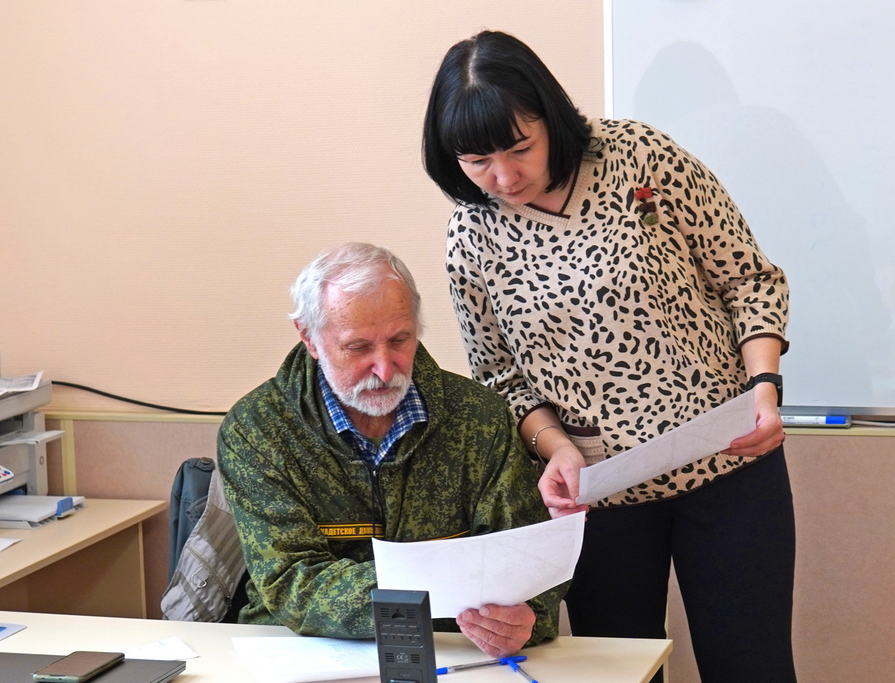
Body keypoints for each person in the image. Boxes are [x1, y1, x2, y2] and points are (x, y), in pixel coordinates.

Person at [423, 31, 796, 682]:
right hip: (599, 496)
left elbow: (749, 279)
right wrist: (554, 448)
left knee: (751, 667)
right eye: (478, 161)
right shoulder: (471, 236)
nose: (504, 177)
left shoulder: (639, 158)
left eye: (520, 148)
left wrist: (765, 386)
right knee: (620, 672)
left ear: (549, 118)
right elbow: (500, 375)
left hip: (728, 459)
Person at [217, 242, 562, 657]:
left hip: (454, 650)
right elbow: (291, 582)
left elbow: (527, 562)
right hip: (302, 650)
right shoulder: (259, 428)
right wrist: (441, 585)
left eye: (400, 340)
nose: (384, 368)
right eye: (358, 347)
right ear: (309, 338)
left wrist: (526, 617)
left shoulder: (479, 417)